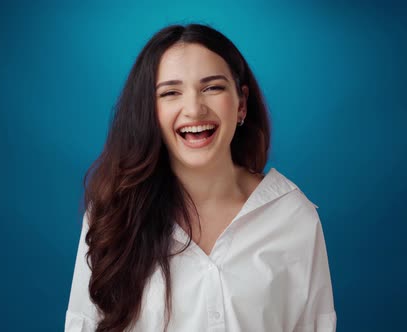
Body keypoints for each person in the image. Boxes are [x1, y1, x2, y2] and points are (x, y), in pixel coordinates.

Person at [65, 23, 336, 332]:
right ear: (149, 112)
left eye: (212, 87)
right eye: (170, 93)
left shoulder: (291, 216)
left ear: (241, 104)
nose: (194, 109)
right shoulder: (113, 216)